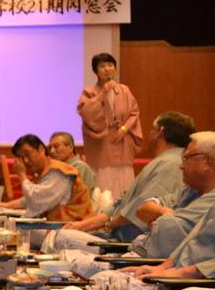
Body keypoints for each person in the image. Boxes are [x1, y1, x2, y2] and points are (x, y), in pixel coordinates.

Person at [54, 132, 215, 278]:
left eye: (187, 158)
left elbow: (167, 229)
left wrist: (159, 219)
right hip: (140, 255)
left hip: (155, 266)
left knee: (81, 267)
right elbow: (143, 208)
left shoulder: (171, 167)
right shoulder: (189, 190)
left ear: (207, 161)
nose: (181, 165)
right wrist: (164, 213)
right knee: (62, 243)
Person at [59, 111, 193, 238]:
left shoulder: (172, 164)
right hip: (119, 237)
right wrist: (84, 225)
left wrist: (106, 225)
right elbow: (122, 203)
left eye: (153, 129)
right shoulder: (166, 161)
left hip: (132, 243)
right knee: (62, 235)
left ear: (160, 132)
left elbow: (141, 208)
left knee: (61, 238)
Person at [0, 134, 94, 222]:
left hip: (71, 228)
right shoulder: (45, 171)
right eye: (22, 158)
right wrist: (6, 205)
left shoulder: (59, 171)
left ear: (41, 149)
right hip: (51, 224)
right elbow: (32, 199)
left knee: (7, 225)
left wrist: (22, 175)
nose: (26, 161)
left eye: (27, 154)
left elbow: (36, 201)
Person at [77, 52, 141, 200]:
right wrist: (103, 93)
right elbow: (86, 113)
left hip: (122, 140)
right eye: (102, 66)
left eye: (110, 65)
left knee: (123, 179)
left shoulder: (124, 90)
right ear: (96, 71)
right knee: (103, 180)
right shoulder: (89, 92)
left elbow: (134, 112)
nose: (107, 69)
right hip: (101, 142)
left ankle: (123, 209)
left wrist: (124, 129)